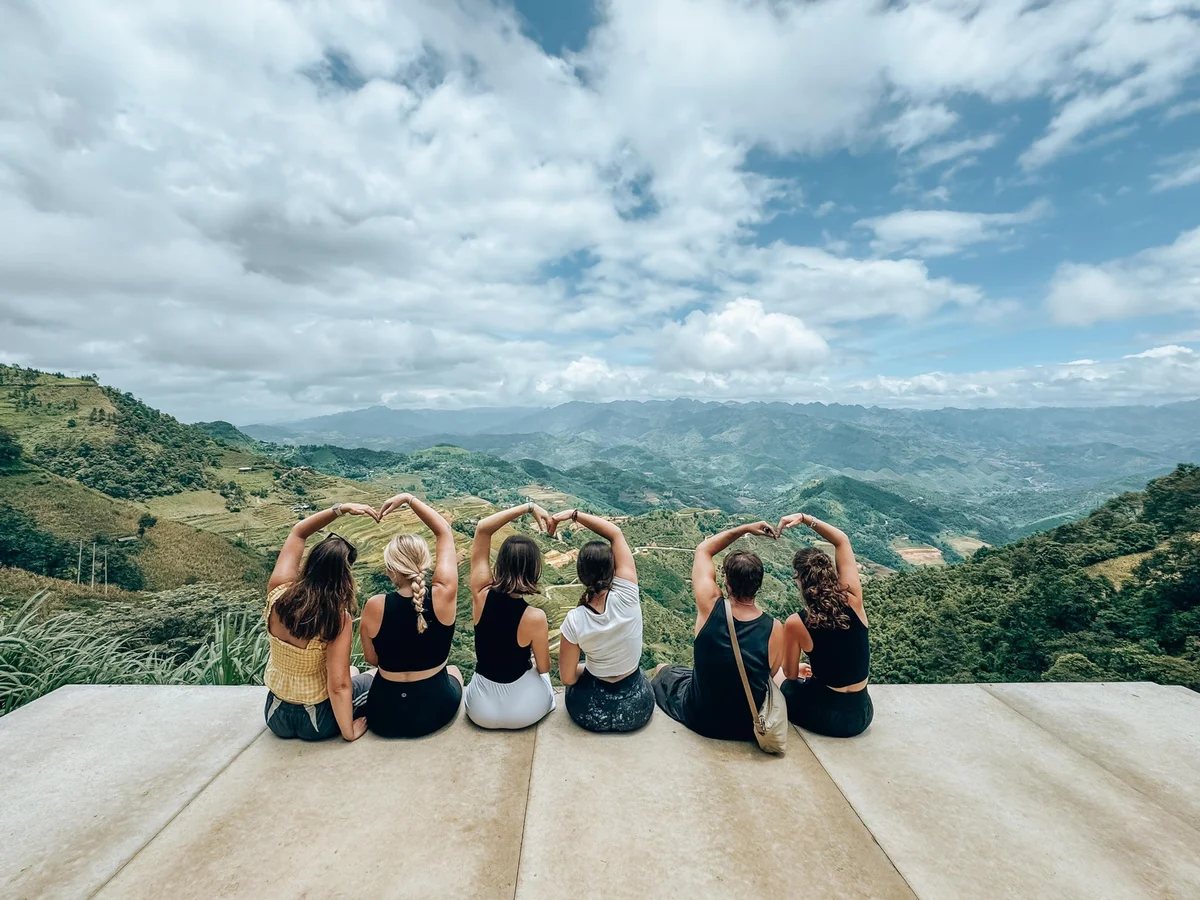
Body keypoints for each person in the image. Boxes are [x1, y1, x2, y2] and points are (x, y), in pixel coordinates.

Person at [651, 521, 784, 741]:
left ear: (726, 582)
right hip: (745, 726)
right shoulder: (775, 629)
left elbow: (703, 550)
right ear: (759, 585)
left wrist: (744, 529)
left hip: (700, 717)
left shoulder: (710, 606)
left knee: (664, 669)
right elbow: (767, 674)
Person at [263, 502, 379, 741]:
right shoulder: (335, 618)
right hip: (316, 722)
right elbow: (338, 687)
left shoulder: (278, 592)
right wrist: (349, 732)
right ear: (344, 576)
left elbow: (299, 532)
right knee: (374, 678)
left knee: (352, 671)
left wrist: (340, 508)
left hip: (275, 716)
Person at [358, 493, 463, 738]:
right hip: (435, 713)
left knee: (369, 676)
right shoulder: (443, 596)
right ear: (424, 564)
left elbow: (372, 660)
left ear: (390, 570)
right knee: (455, 671)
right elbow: (444, 532)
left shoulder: (375, 606)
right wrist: (409, 499)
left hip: (384, 715)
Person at [551, 508, 654, 733]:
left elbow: (567, 678)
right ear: (612, 569)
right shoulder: (628, 594)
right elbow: (616, 534)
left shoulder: (574, 620)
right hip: (636, 708)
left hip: (589, 711)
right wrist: (573, 514)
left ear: (580, 574)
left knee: (579, 681)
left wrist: (588, 667)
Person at [774, 512, 873, 738]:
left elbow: (789, 674)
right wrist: (805, 518)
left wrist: (796, 668)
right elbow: (841, 540)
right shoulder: (854, 599)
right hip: (863, 713)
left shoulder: (797, 622)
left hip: (830, 718)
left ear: (799, 579)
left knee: (776, 677)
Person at [463, 502, 557, 729]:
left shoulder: (481, 594)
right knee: (544, 680)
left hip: (480, 710)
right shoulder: (535, 617)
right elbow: (544, 668)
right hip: (524, 712)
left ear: (501, 563)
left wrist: (528, 507)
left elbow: (483, 529)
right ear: (534, 570)